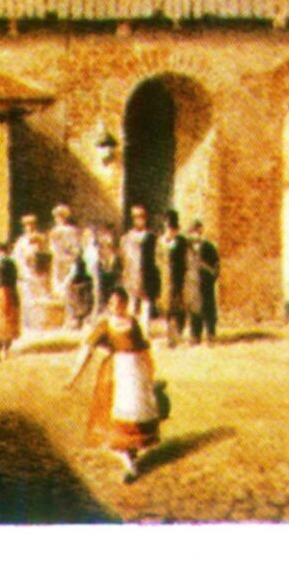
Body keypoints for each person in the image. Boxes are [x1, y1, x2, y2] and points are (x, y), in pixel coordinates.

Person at [67, 286, 161, 481]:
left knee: (137, 419)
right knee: (117, 421)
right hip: (116, 375)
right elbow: (87, 350)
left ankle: (132, 457)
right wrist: (74, 376)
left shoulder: (133, 323)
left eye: (120, 303)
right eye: (113, 303)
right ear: (108, 305)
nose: (117, 307)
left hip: (136, 374)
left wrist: (150, 371)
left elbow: (143, 349)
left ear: (125, 303)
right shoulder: (104, 326)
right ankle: (129, 464)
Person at [14, 213, 53, 342]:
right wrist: (22, 266)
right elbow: (17, 257)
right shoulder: (21, 242)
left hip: (38, 274)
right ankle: (28, 326)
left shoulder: (40, 239)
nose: (29, 227)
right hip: (26, 273)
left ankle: (39, 327)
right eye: (27, 225)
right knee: (27, 299)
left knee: (39, 299)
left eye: (31, 225)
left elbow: (47, 254)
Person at [121, 206, 160, 328]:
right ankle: (131, 331)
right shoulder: (127, 238)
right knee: (131, 305)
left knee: (146, 305)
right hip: (132, 275)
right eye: (136, 217)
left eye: (141, 217)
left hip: (147, 276)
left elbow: (158, 258)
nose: (139, 220)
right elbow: (124, 257)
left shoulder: (152, 237)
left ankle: (144, 332)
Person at [182, 222, 220, 345]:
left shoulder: (209, 247)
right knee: (194, 311)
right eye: (193, 232)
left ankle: (211, 335)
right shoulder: (187, 249)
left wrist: (211, 277)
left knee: (209, 310)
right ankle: (195, 335)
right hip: (192, 284)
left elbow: (216, 264)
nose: (196, 235)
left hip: (206, 284)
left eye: (197, 232)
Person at [47, 206, 82, 326]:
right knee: (59, 290)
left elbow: (75, 247)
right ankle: (62, 320)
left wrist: (71, 256)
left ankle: (72, 318)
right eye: (57, 217)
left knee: (69, 289)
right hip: (58, 262)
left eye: (61, 216)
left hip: (68, 262)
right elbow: (52, 248)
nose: (58, 219)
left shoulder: (71, 231)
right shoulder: (53, 231)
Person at [157, 210, 188, 348]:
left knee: (179, 310)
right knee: (168, 310)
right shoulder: (160, 243)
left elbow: (186, 261)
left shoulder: (181, 243)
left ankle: (178, 332)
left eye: (172, 229)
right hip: (165, 281)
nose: (169, 231)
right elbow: (157, 260)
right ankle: (171, 337)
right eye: (167, 228)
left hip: (179, 280)